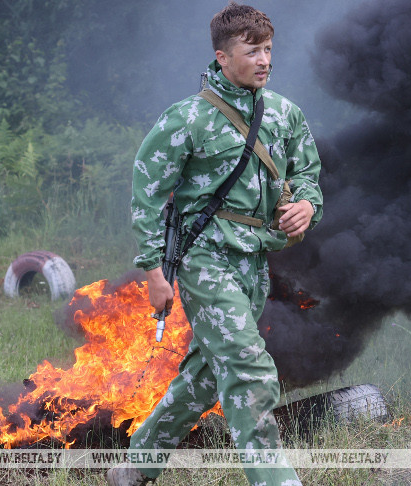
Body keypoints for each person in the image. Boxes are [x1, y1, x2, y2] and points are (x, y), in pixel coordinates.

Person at [106, 2, 322, 485]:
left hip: (255, 261)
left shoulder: (285, 114)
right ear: (223, 57)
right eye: (252, 51)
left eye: (268, 50)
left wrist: (307, 206)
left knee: (204, 377)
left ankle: (134, 467)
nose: (264, 60)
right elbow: (149, 194)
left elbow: (307, 174)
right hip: (205, 257)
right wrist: (154, 270)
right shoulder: (187, 119)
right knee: (250, 369)